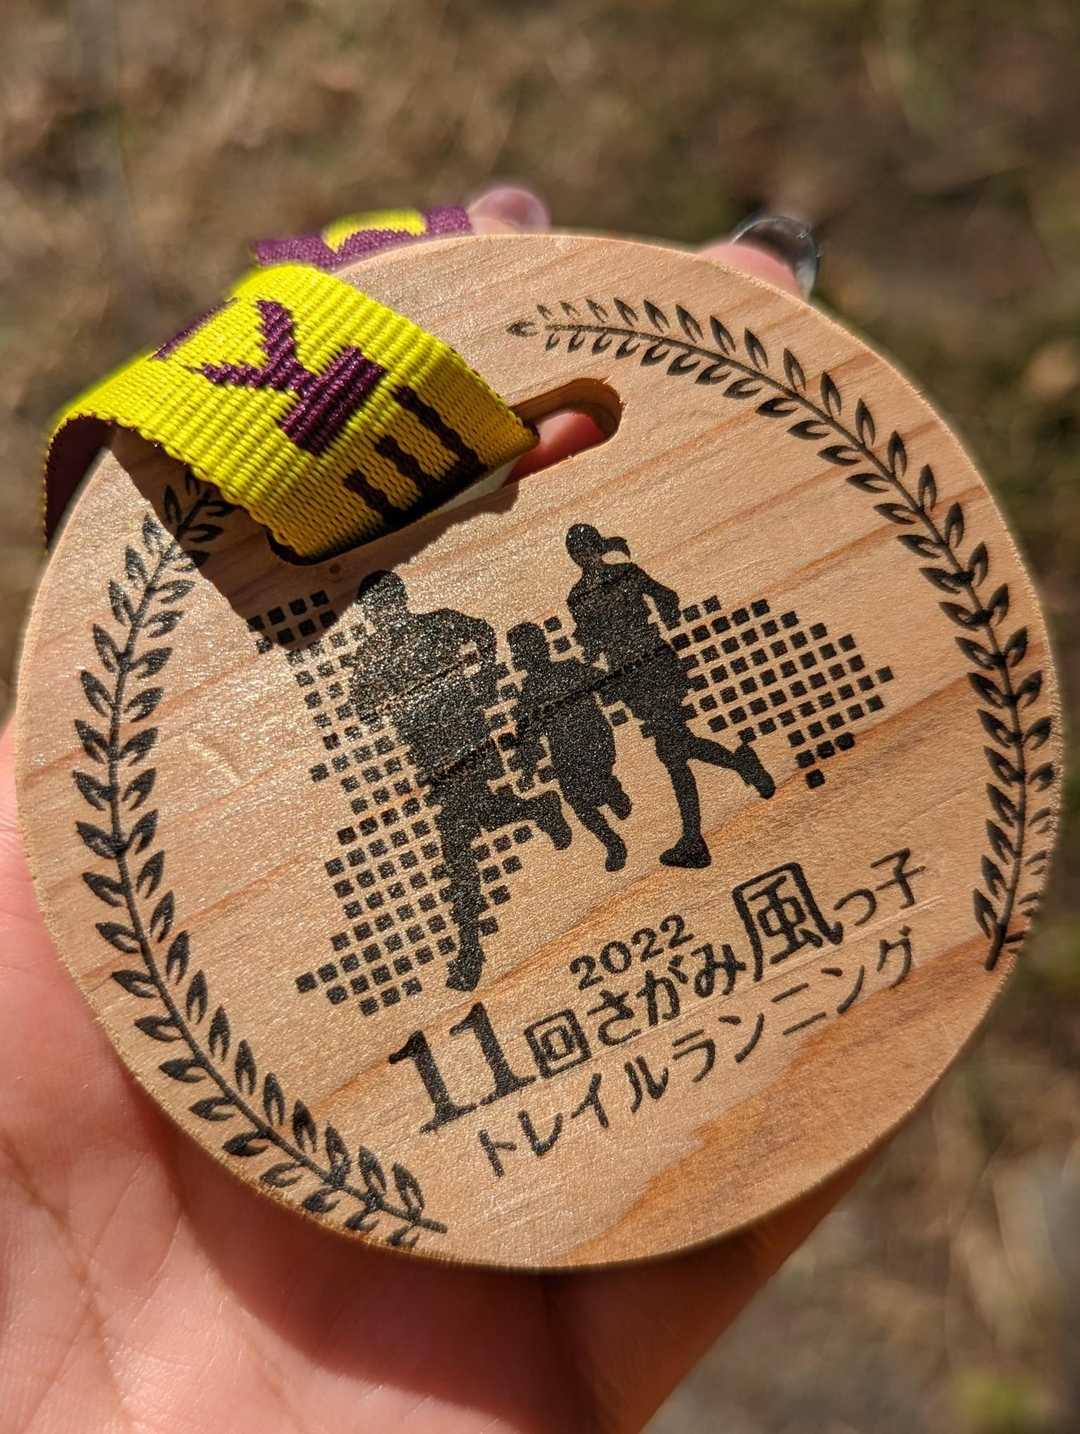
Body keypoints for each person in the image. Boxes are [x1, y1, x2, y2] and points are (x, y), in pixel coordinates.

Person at [0, 189, 856, 1434]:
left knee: (647, 771)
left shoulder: (463, 621)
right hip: (459, 782)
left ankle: (603, 835)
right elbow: (363, 694)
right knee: (521, 835)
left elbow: (497, 644)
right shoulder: (389, 648)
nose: (392, 616)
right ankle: (547, 865)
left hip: (533, 737)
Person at [350, 568, 571, 992]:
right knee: (478, 818)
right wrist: (390, 705)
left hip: (465, 738)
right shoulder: (374, 654)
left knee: (456, 842)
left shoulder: (435, 625)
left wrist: (482, 679)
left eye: (384, 604)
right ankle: (537, 808)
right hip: (431, 753)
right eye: (376, 609)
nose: (382, 614)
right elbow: (360, 705)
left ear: (397, 601)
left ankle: (470, 949)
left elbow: (483, 633)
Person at [565, 524, 776, 868]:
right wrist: (656, 624)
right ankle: (741, 768)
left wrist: (650, 626)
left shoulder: (596, 588)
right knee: (678, 746)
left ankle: (694, 838)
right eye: (579, 552)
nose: (582, 557)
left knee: (673, 752)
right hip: (640, 670)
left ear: (590, 550)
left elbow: (662, 599)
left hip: (645, 668)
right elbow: (664, 600)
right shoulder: (600, 586)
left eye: (583, 550)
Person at [507, 620, 631, 871]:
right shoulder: (531, 691)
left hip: (592, 741)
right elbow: (528, 735)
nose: (524, 656)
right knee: (577, 800)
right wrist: (527, 766)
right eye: (520, 651)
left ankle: (610, 791)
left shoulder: (566, 670)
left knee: (587, 790)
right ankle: (612, 841)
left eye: (526, 649)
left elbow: (604, 679)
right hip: (567, 751)